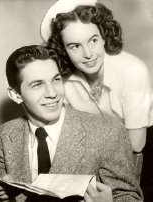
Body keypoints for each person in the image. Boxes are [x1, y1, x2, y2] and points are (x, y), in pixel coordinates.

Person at [0, 45, 142, 202]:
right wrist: (0, 196)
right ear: (16, 95)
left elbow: (129, 196)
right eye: (37, 84)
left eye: (56, 80)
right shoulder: (2, 136)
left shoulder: (108, 130)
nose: (53, 93)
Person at [40, 0, 153, 154]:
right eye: (75, 46)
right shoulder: (62, 79)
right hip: (96, 154)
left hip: (144, 152)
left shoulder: (132, 70)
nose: (88, 54)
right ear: (62, 49)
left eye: (93, 40)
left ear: (104, 36)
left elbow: (136, 145)